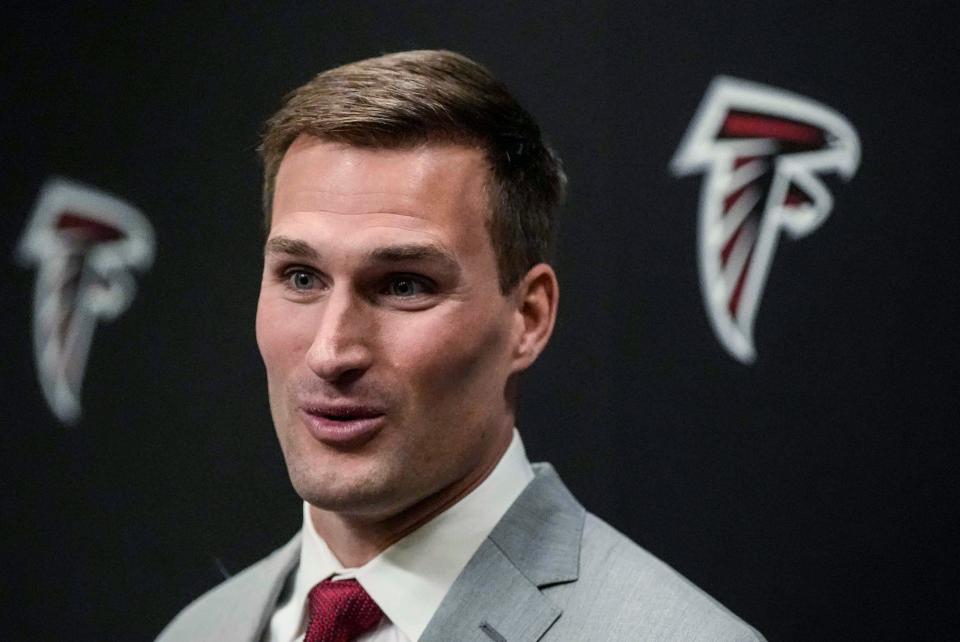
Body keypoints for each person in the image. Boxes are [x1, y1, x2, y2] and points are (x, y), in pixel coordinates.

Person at [157, 50, 764, 642]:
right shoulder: (201, 630)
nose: (330, 352)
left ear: (528, 317)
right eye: (301, 278)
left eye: (403, 285)